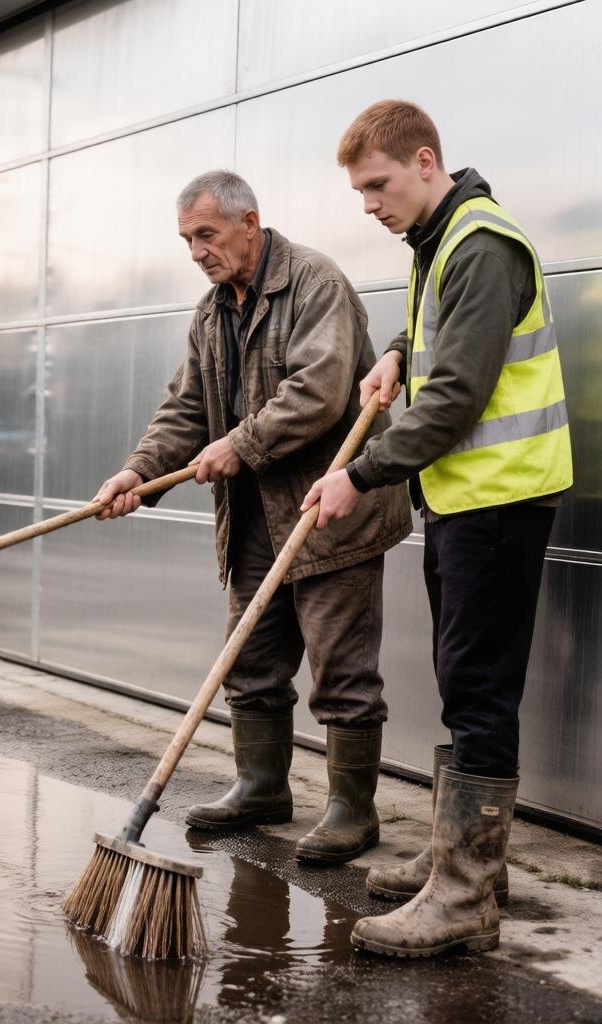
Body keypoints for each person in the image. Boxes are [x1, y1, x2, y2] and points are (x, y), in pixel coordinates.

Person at [303, 100, 573, 957]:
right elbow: (434, 341)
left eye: (378, 184)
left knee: (479, 686)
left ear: (425, 161)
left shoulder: (480, 244)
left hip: (496, 501)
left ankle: (462, 897)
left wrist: (360, 473)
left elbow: (456, 395)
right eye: (360, 192)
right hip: (464, 500)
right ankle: (467, 861)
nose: (370, 204)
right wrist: (390, 346)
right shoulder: (438, 240)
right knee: (466, 677)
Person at [94, 169, 410, 863]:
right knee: (251, 664)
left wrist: (240, 443)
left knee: (342, 672)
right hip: (253, 522)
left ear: (249, 223)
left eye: (206, 234)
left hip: (331, 511)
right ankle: (261, 787)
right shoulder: (212, 312)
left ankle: (352, 812)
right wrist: (138, 474)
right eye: (187, 240)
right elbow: (183, 408)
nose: (197, 251)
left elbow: (322, 391)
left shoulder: (315, 284)